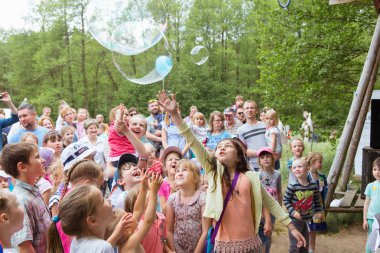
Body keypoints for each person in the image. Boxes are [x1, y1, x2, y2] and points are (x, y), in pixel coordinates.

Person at [158, 91, 306, 253]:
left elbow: (270, 201)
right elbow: (192, 140)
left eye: (227, 146)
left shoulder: (251, 177)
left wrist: (291, 227)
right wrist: (174, 115)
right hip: (223, 246)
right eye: (219, 146)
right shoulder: (213, 172)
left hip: (251, 245)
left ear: (237, 157)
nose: (221, 148)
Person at [47, 184, 133, 253]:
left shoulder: (76, 242)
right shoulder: (104, 248)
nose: (108, 200)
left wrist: (116, 234)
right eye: (103, 201)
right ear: (92, 220)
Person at [1, 142, 51, 253]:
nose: (42, 160)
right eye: (37, 157)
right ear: (22, 167)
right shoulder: (21, 201)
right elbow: (24, 247)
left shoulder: (34, 190)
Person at [166, 159, 208, 253]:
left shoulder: (202, 197)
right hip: (177, 248)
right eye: (177, 171)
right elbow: (169, 230)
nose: (180, 173)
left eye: (185, 170)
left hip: (199, 249)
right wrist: (172, 250)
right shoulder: (172, 199)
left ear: (196, 177)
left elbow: (205, 232)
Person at [283, 157, 323, 253]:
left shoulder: (313, 185)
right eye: (294, 167)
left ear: (307, 169)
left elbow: (317, 201)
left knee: (305, 244)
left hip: (307, 220)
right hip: (295, 221)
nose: (296, 169)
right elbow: (286, 200)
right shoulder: (292, 186)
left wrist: (318, 211)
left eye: (300, 166)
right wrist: (293, 212)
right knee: (296, 245)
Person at [119, 173, 163, 252]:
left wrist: (143, 185)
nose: (132, 218)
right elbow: (148, 221)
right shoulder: (130, 242)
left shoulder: (131, 230)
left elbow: (137, 210)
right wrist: (153, 192)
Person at [257, 147, 282, 253]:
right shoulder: (258, 174)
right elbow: (257, 194)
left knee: (269, 232)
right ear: (259, 161)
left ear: (273, 158)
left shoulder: (277, 174)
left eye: (268, 156)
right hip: (261, 209)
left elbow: (279, 191)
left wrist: (279, 208)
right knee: (259, 233)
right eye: (262, 157)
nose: (265, 159)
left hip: (273, 208)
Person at [306, 152, 328, 253]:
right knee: (306, 229)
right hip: (307, 208)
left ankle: (312, 250)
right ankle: (304, 248)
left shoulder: (322, 176)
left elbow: (324, 190)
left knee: (313, 230)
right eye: (320, 162)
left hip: (318, 207)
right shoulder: (306, 176)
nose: (321, 164)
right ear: (313, 162)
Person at [237, 100, 267, 171]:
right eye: (247, 108)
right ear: (243, 111)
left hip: (268, 164)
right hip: (253, 166)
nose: (249, 110)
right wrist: (261, 153)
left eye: (252, 108)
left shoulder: (265, 126)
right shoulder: (240, 130)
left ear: (256, 110)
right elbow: (243, 151)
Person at [158, 146, 182, 214]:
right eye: (170, 160)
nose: (174, 161)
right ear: (165, 167)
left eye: (177, 159)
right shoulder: (161, 184)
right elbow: (163, 211)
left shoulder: (185, 181)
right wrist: (172, 193)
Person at [364, 158, 380, 253]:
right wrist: (364, 219)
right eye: (375, 169)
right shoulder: (370, 186)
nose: (377, 172)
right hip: (371, 218)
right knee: (371, 241)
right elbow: (366, 203)